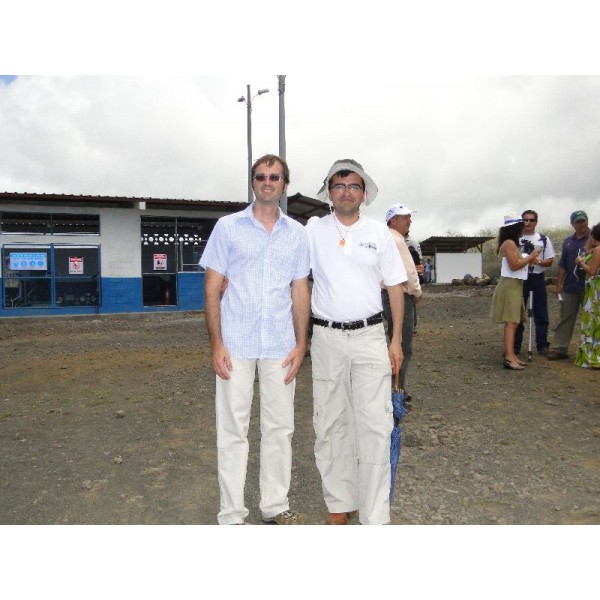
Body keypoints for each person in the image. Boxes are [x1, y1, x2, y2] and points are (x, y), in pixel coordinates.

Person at [199, 154, 310, 525]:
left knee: (280, 429)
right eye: (261, 176)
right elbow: (212, 289)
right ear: (252, 182)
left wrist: (301, 343)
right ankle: (231, 513)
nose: (268, 182)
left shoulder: (297, 234)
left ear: (284, 184)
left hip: (280, 345)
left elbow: (299, 290)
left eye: (275, 177)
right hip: (236, 344)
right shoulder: (227, 228)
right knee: (233, 430)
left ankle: (275, 506)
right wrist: (216, 344)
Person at [306, 159, 407, 525]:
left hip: (369, 337)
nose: (346, 191)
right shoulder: (313, 230)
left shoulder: (380, 233)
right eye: (339, 185)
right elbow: (292, 276)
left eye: (353, 186)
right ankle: (339, 505)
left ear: (364, 194)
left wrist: (395, 341)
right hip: (327, 338)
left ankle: (375, 517)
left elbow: (395, 286)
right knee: (331, 423)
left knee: (375, 425)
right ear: (329, 193)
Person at [382, 203, 423, 405]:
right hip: (398, 296)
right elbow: (409, 271)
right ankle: (396, 391)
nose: (410, 221)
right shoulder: (397, 240)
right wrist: (416, 291)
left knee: (391, 342)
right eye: (406, 217)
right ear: (394, 220)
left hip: (384, 296)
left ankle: (392, 389)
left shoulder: (386, 237)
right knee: (402, 345)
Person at [489, 213, 540, 370]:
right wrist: (531, 256)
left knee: (514, 322)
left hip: (515, 286)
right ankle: (509, 357)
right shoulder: (509, 243)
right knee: (511, 323)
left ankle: (511, 355)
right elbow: (514, 265)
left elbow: (517, 263)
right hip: (510, 286)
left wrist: (528, 260)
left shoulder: (509, 243)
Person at [547, 210, 591, 360]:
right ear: (572, 224)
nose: (581, 224)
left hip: (590, 286)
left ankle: (590, 350)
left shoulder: (595, 238)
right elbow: (563, 265)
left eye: (583, 221)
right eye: (578, 222)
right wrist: (559, 284)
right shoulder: (567, 242)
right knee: (566, 317)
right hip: (571, 286)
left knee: (592, 319)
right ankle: (560, 348)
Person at [514, 209, 556, 356]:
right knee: (517, 312)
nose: (528, 223)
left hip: (537, 276)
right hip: (520, 278)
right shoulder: (515, 239)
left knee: (541, 312)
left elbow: (550, 261)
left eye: (531, 220)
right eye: (525, 220)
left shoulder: (544, 239)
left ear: (536, 222)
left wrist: (538, 261)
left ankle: (542, 345)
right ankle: (515, 346)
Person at [574, 222, 600, 369]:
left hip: (595, 288)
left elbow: (592, 271)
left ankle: (592, 356)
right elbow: (587, 249)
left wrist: (581, 263)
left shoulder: (598, 250)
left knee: (593, 320)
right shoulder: (594, 249)